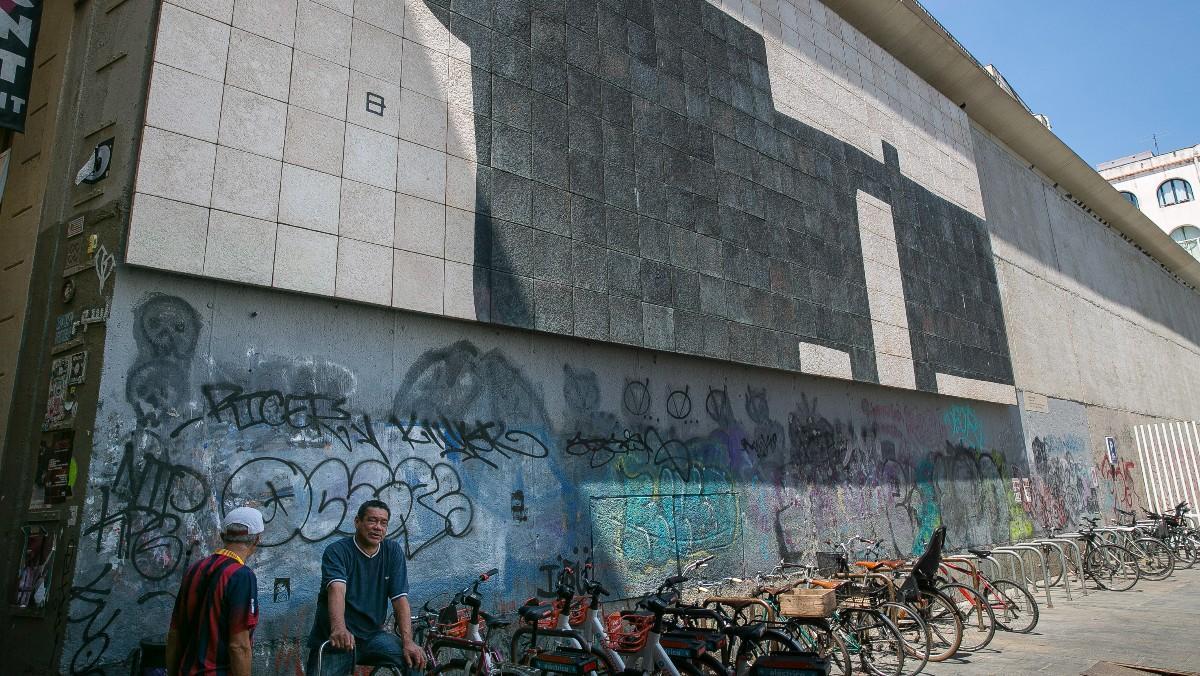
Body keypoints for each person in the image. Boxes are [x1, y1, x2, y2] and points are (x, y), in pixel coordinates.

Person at [308, 499, 426, 675]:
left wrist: (408, 642)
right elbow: (336, 589)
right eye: (372, 520)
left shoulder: (392, 551)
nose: (378, 527)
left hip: (372, 637)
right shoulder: (337, 551)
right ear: (357, 522)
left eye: (383, 523)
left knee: (414, 660)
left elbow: (400, 598)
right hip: (338, 640)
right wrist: (339, 628)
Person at [166, 506, 264, 676]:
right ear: (256, 541)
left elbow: (175, 633)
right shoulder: (241, 576)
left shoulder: (195, 568)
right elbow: (239, 646)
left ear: (222, 537)